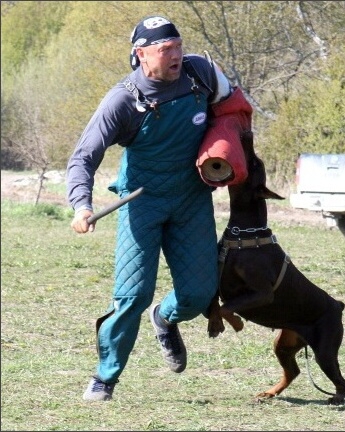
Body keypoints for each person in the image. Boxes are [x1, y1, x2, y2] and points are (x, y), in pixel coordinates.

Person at [66, 15, 236, 401]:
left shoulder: (202, 72)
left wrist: (228, 150)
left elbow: (234, 108)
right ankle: (104, 378)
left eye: (178, 46)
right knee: (131, 296)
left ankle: (165, 317)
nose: (176, 55)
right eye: (165, 50)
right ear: (142, 55)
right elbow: (83, 157)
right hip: (141, 202)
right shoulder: (123, 99)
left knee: (198, 293)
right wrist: (80, 204)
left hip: (192, 199)